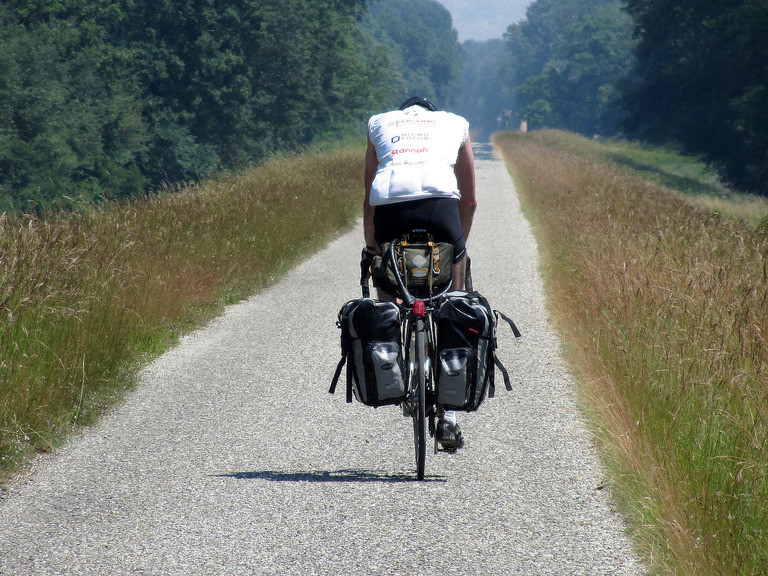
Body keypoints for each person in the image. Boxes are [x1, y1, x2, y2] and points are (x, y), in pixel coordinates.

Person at [363, 96, 477, 452]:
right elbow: (470, 201)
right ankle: (450, 416)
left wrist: (372, 248)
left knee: (386, 273)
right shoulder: (456, 123)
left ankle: (392, 338)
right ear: (432, 114)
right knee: (453, 304)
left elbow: (369, 199)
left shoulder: (379, 122)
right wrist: (458, 249)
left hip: (390, 211)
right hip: (441, 209)